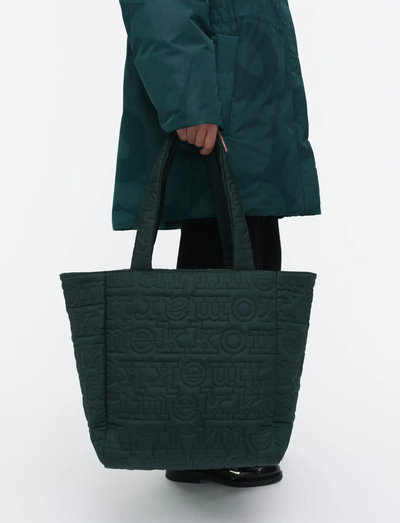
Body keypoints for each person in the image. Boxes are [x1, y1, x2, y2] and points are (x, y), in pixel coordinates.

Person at [112, 0, 321, 487]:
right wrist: (189, 100)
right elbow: (159, 8)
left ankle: (208, 441)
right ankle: (215, 441)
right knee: (225, 268)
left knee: (245, 262)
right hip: (224, 103)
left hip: (245, 101)